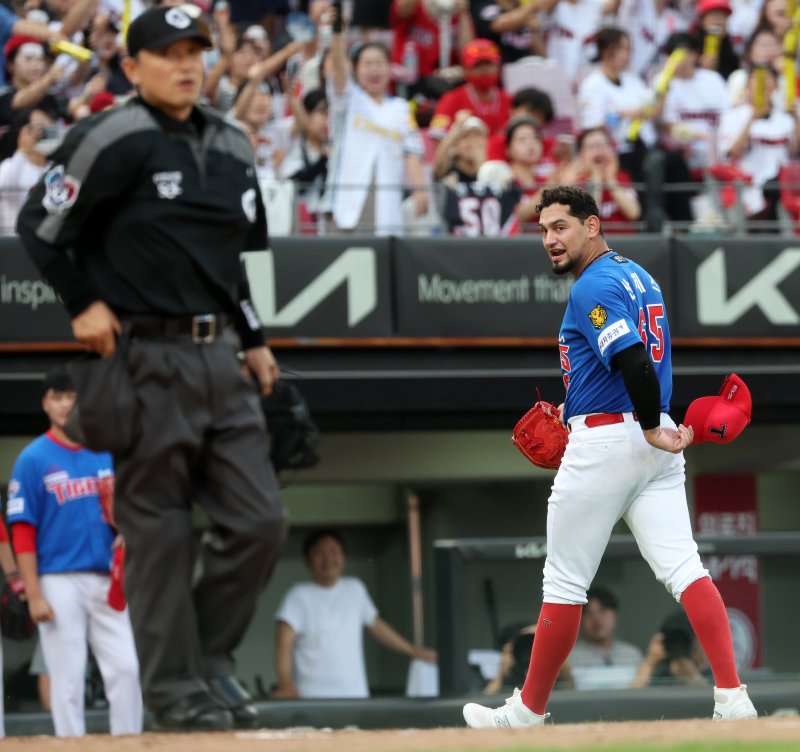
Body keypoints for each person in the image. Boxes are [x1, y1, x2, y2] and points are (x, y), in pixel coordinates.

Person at [15, 6, 288, 732]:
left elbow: (226, 261)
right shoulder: (111, 134)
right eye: (166, 53)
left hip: (220, 356)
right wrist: (81, 303)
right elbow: (35, 226)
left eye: (195, 50)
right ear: (132, 69)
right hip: (140, 357)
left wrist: (254, 338)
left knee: (261, 521)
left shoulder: (233, 141)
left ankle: (202, 661)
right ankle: (175, 692)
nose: (185, 63)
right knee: (162, 535)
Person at [462, 185, 757, 729]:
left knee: (565, 584)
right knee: (687, 570)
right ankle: (732, 695)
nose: (550, 239)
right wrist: (655, 426)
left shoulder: (590, 287)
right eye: (544, 230)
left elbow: (631, 359)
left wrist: (646, 426)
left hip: (612, 440)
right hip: (652, 441)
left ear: (593, 225)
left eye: (561, 227)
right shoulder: (639, 275)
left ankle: (527, 711)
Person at [6, 367, 142, 737]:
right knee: (67, 677)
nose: (65, 404)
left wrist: (127, 532)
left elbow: (132, 508)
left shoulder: (106, 451)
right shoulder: (33, 458)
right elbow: (22, 530)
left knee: (126, 667)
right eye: (58, 396)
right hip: (57, 579)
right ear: (45, 403)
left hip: (106, 575)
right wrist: (32, 593)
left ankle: (129, 743)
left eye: (72, 396)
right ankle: (71, 746)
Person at [272, 529, 437, 699]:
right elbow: (283, 642)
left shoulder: (355, 589)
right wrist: (285, 682)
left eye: (334, 552)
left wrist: (413, 651)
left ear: (343, 558)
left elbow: (377, 627)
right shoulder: (298, 595)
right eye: (319, 553)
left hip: (355, 697)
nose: (328, 559)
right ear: (307, 561)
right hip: (312, 699)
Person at [325, 12, 428, 234]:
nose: (374, 70)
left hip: (387, 202)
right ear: (356, 69)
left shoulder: (401, 108)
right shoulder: (348, 99)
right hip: (348, 199)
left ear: (389, 69)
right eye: (368, 64)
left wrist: (420, 190)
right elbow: (339, 73)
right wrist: (337, 36)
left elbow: (412, 151)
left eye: (380, 63)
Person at [568, 586, 643, 687]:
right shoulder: (570, 658)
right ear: (580, 620)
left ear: (615, 616)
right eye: (588, 613)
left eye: (603, 611)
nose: (597, 619)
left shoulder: (632, 655)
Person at [631, 610, 712, 687]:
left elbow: (713, 699)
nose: (678, 645)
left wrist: (690, 675)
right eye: (674, 641)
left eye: (684, 641)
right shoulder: (660, 677)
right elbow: (633, 698)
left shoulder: (713, 676)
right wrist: (649, 663)